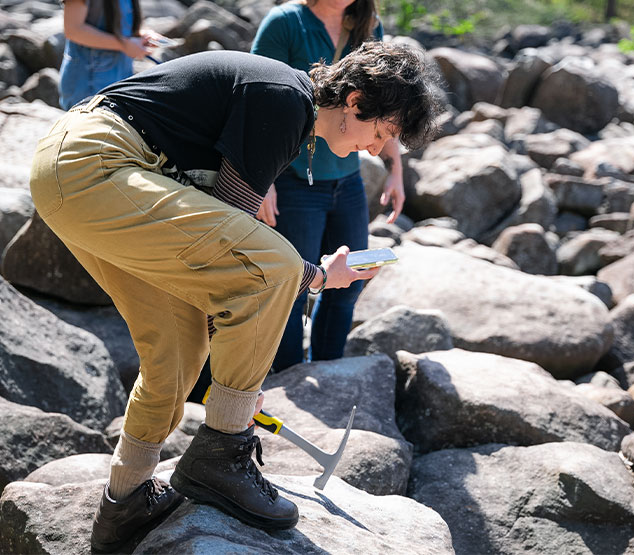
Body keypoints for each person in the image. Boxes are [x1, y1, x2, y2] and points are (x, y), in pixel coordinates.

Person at [29, 42, 440, 552]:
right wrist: (237, 400)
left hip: (78, 175)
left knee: (177, 353)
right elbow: (248, 256)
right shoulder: (286, 99)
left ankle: (125, 502)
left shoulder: (287, 105)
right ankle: (220, 455)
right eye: (381, 133)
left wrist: (234, 379)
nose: (377, 150)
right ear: (355, 102)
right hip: (96, 166)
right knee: (277, 268)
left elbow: (220, 257)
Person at [250, 0, 406, 371]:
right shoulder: (285, 23)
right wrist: (262, 182)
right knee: (293, 286)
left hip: (347, 180)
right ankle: (288, 373)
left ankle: (328, 368)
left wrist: (395, 168)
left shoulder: (368, 26)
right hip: (293, 180)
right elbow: (259, 102)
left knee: (349, 282)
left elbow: (388, 107)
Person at [59, 0, 159, 110]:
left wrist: (140, 36)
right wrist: (124, 45)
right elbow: (73, 30)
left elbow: (117, 24)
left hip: (119, 80)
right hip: (87, 85)